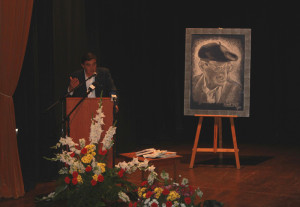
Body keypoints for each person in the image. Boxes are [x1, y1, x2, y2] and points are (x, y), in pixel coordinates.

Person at [192, 42, 242, 109]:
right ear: (203, 66)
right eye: (218, 67)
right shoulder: (192, 84)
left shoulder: (236, 89)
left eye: (227, 67)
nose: (224, 73)